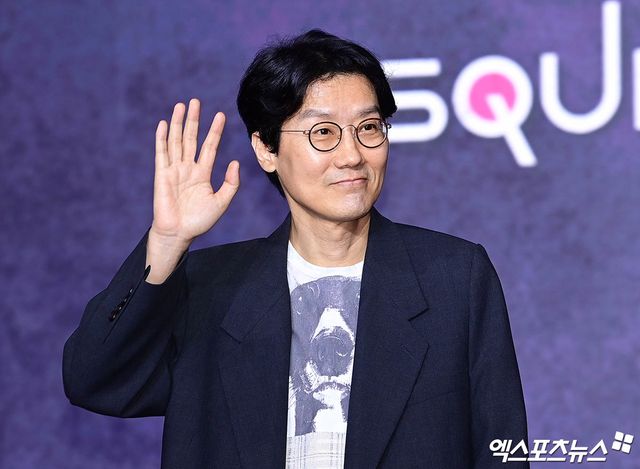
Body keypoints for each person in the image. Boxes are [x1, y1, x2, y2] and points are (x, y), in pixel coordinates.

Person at [63, 29, 529, 468]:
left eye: (369, 127)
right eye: (323, 132)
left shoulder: (454, 278)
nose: (352, 155)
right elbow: (95, 380)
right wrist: (167, 242)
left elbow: (502, 448)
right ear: (266, 150)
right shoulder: (209, 289)